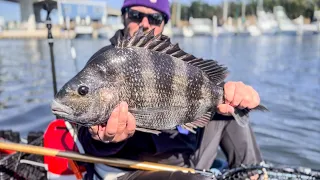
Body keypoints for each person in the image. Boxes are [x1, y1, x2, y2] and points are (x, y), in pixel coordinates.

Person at [77, 0, 263, 179]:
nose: (145, 24)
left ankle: (253, 174)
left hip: (187, 160)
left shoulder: (176, 61)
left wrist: (234, 95)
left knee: (228, 109)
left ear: (164, 23)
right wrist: (104, 140)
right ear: (124, 16)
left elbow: (207, 90)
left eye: (155, 18)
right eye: (136, 15)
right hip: (132, 170)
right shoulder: (104, 61)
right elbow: (86, 137)